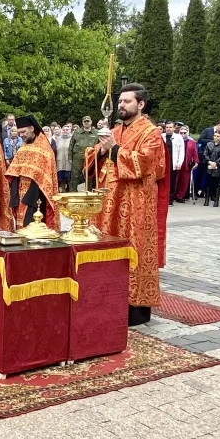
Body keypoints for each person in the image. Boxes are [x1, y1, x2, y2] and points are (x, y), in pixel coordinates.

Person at [94, 84, 166, 326]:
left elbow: (144, 163)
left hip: (136, 203)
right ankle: (109, 301)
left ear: (141, 104)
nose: (121, 105)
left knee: (134, 249)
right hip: (110, 202)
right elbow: (94, 158)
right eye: (120, 101)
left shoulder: (151, 132)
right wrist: (101, 151)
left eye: (127, 101)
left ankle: (135, 307)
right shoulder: (115, 129)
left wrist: (112, 148)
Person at [7, 115, 60, 230]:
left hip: (35, 197)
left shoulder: (44, 148)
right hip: (20, 195)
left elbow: (43, 178)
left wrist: (29, 199)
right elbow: (14, 173)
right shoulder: (23, 147)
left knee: (32, 229)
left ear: (32, 128)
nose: (21, 135)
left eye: (23, 132)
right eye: (20, 133)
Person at [68, 116, 98, 191]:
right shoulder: (77, 132)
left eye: (88, 121)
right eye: (85, 121)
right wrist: (70, 157)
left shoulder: (96, 133)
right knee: (75, 176)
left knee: (90, 176)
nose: (86, 123)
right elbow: (71, 145)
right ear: (82, 122)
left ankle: (89, 193)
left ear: (91, 122)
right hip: (78, 157)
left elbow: (99, 145)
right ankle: (73, 193)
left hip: (91, 158)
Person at [201, 131, 220, 207]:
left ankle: (216, 201)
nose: (216, 137)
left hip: (218, 167)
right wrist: (209, 161)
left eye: (218, 136)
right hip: (209, 166)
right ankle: (206, 200)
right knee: (208, 183)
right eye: (215, 135)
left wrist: (216, 163)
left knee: (216, 184)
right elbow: (205, 153)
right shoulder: (209, 144)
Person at [162, 121, 185, 205]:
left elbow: (181, 151)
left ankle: (170, 199)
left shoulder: (178, 137)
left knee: (172, 181)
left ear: (174, 128)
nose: (168, 129)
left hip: (173, 162)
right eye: (167, 127)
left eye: (170, 127)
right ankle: (162, 198)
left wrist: (179, 163)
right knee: (162, 181)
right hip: (163, 163)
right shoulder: (161, 136)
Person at [174, 125, 198, 201]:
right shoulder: (175, 140)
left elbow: (195, 153)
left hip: (186, 164)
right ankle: (172, 195)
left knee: (184, 181)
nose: (183, 134)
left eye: (184, 133)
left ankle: (180, 196)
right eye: (181, 133)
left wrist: (196, 162)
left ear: (188, 133)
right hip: (176, 163)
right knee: (175, 180)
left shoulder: (192, 142)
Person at [55, 122, 73, 192]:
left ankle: (70, 192)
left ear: (69, 131)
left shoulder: (72, 139)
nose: (65, 131)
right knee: (62, 179)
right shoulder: (58, 139)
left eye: (67, 130)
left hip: (69, 162)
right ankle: (63, 192)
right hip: (60, 162)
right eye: (64, 130)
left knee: (69, 179)